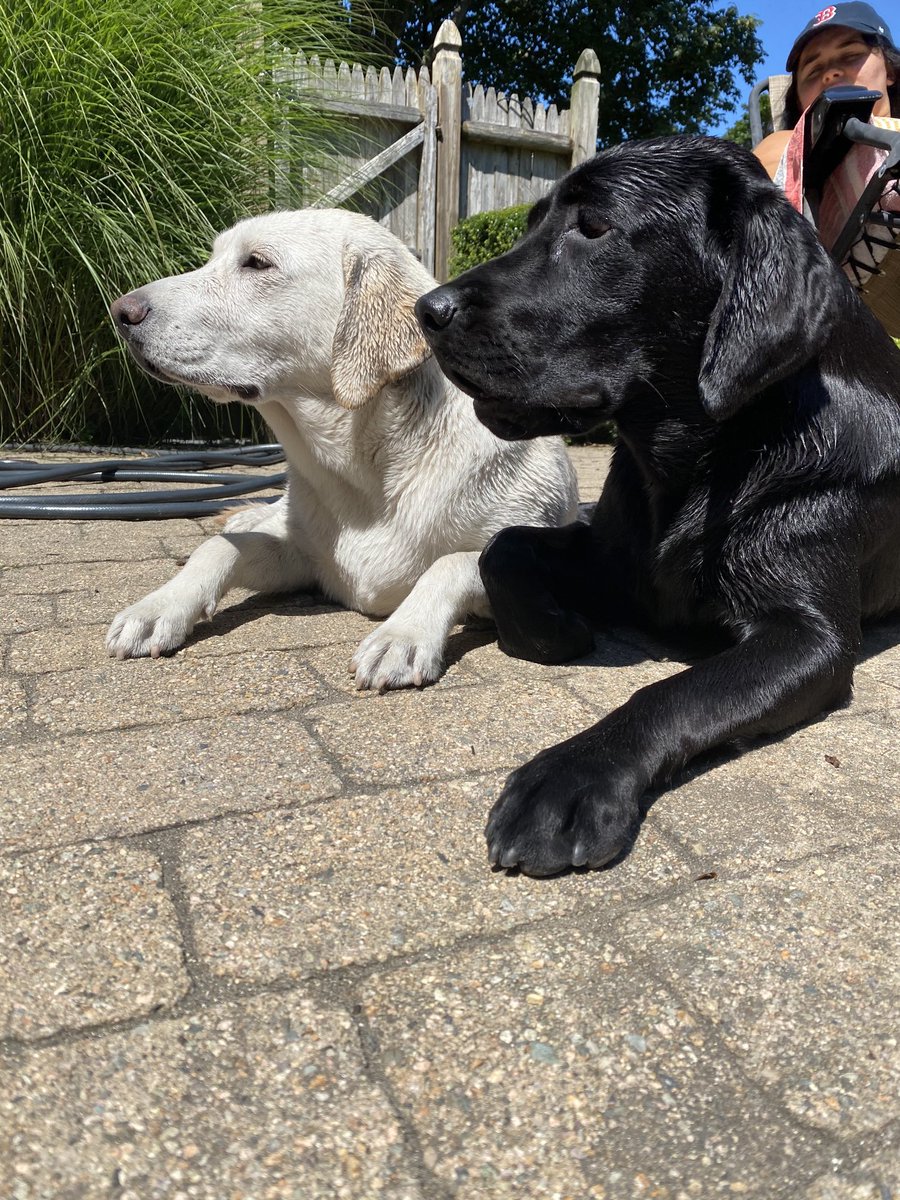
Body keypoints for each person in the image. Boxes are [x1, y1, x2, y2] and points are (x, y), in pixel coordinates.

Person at [754, 3, 899, 180]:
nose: (830, 73)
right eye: (814, 71)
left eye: (850, 56)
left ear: (889, 71)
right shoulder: (785, 147)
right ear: (799, 101)